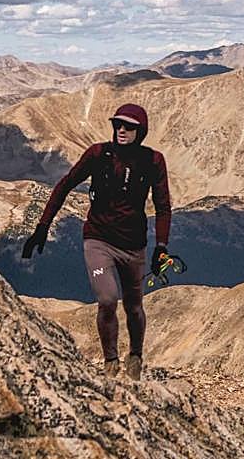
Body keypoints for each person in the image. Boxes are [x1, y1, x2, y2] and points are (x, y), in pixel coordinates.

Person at [21, 103, 171, 381]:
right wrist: (42, 226)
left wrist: (161, 246)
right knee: (107, 298)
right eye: (117, 124)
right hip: (98, 241)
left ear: (141, 131)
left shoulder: (153, 161)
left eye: (128, 127)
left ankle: (135, 358)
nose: (121, 130)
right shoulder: (98, 154)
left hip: (134, 246)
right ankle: (110, 364)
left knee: (134, 306)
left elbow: (163, 207)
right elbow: (65, 185)